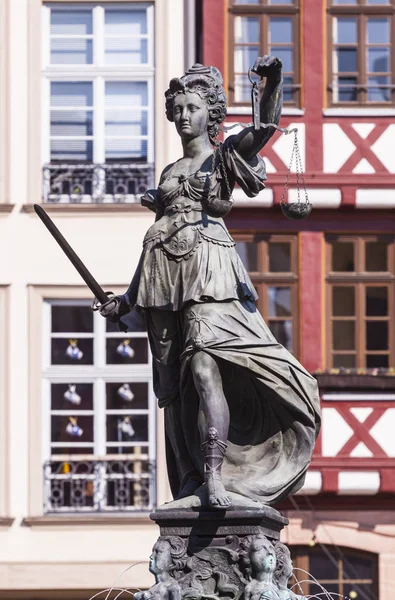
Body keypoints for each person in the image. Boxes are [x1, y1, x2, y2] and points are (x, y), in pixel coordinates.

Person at [97, 56, 321, 510]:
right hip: (162, 275)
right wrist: (126, 300)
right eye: (177, 109)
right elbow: (154, 240)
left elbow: (262, 130)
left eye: (192, 108)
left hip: (207, 269)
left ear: (211, 114)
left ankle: (217, 477)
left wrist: (274, 82)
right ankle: (193, 479)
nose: (183, 116)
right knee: (177, 389)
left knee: (204, 364)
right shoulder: (169, 173)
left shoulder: (222, 156)